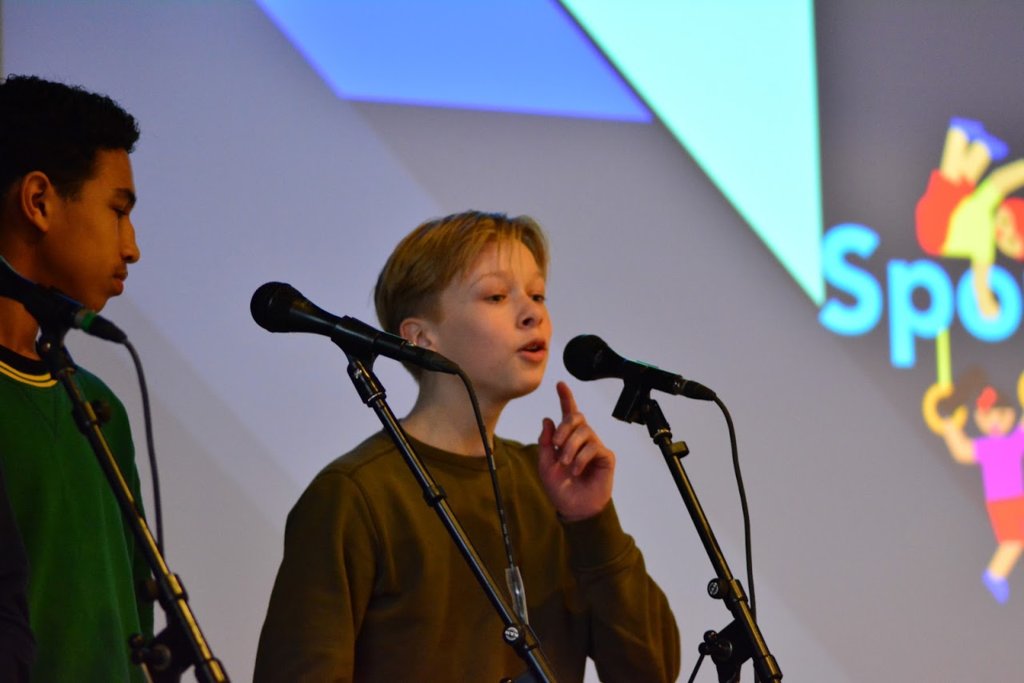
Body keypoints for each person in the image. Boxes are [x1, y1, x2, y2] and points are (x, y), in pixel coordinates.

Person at [254, 211, 680, 681]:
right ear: (421, 337)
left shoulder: (552, 486)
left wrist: (593, 522)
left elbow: (651, 672)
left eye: (537, 295)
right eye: (496, 296)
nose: (533, 313)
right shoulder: (354, 495)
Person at [0, 75, 152, 680]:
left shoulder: (95, 403)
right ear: (39, 200)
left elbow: (136, 615)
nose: (131, 247)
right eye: (118, 211)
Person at [928, 373, 1024, 604]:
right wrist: (949, 423)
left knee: (1016, 538)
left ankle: (995, 574)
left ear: (1010, 415)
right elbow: (962, 450)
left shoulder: (1013, 442)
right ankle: (994, 574)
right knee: (1014, 539)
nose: (995, 421)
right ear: (979, 417)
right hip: (1003, 501)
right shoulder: (986, 448)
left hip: (1016, 499)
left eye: (1001, 414)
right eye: (988, 415)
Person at [914, 117, 1024, 318]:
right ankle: (981, 148)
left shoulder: (984, 244)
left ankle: (959, 135)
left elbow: (980, 280)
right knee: (960, 183)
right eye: (1008, 222)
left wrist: (986, 303)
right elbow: (1000, 181)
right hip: (945, 215)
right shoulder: (986, 206)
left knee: (952, 181)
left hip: (936, 231)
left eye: (1010, 240)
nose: (1003, 231)